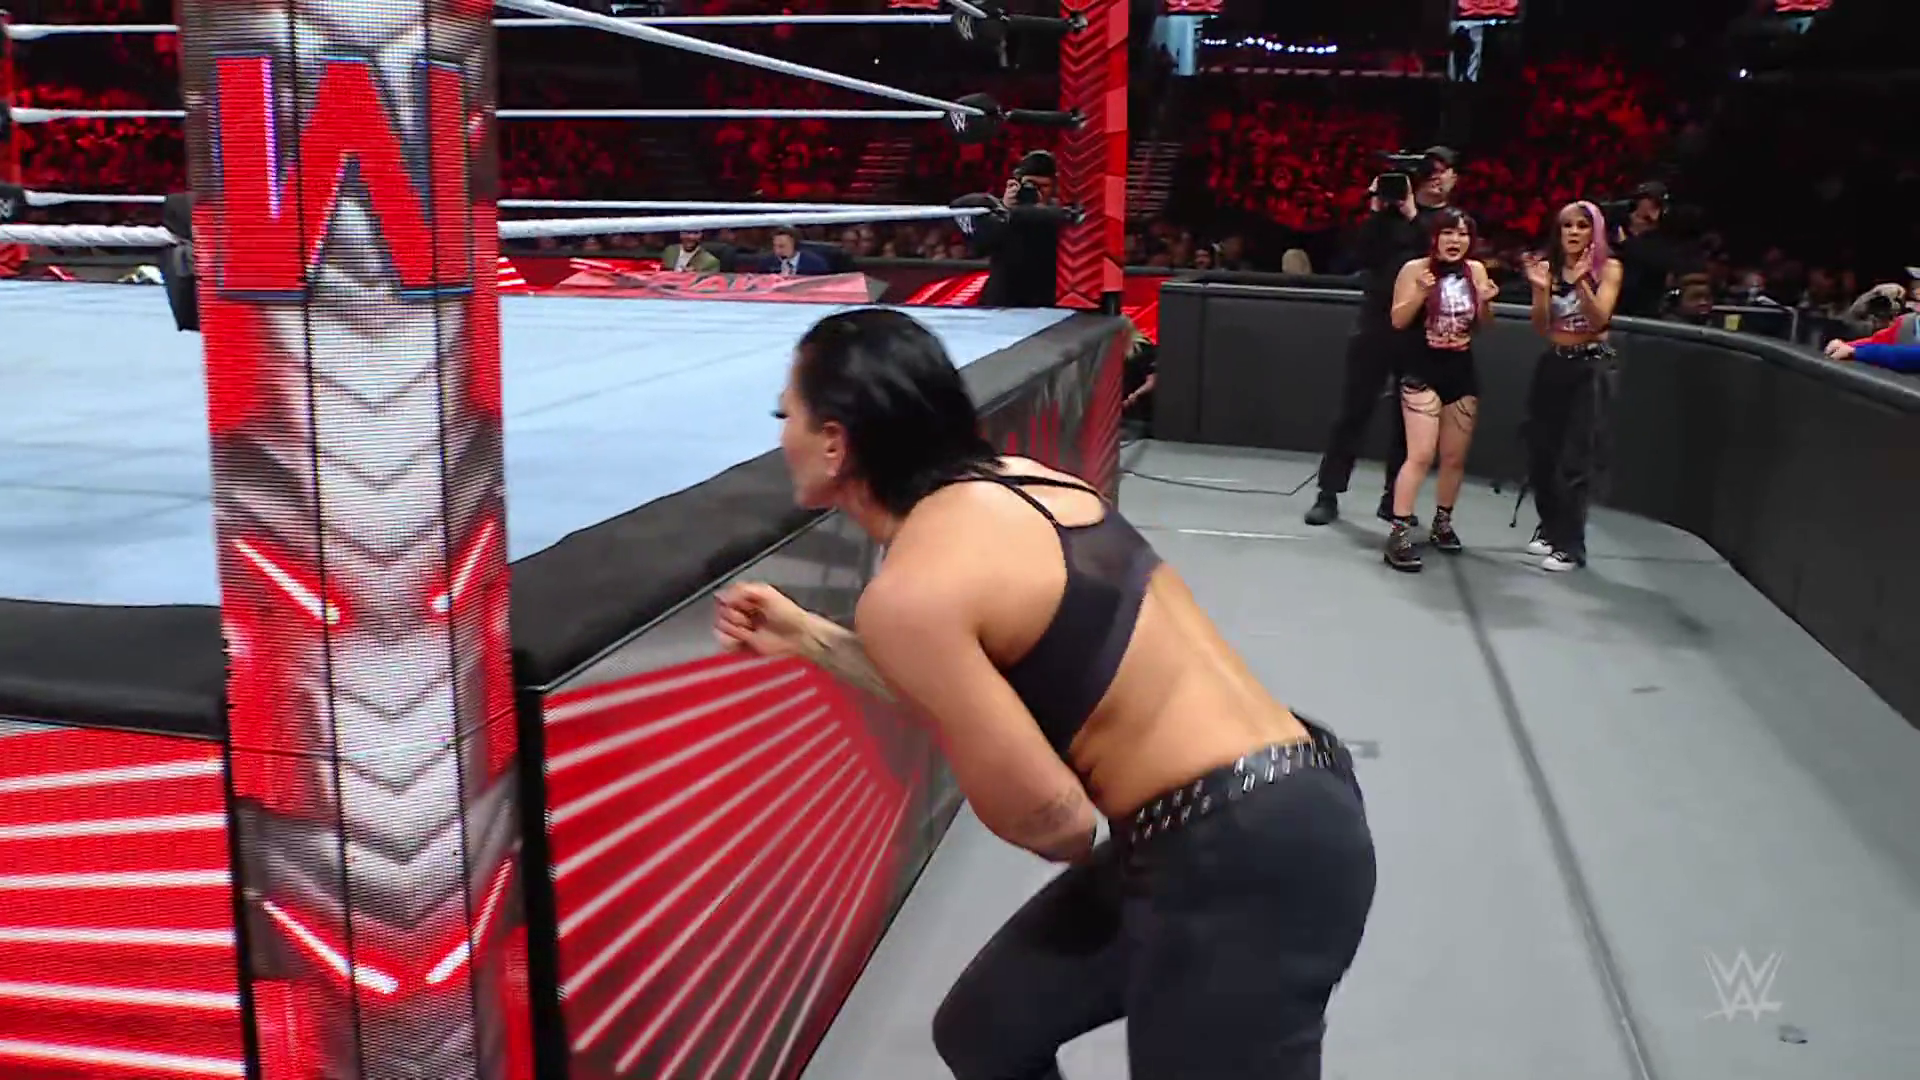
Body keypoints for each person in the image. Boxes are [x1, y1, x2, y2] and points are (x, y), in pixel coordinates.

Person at [714, 308, 1376, 1080]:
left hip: (1235, 855)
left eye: (785, 417)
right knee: (988, 1030)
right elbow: (989, 671)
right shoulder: (1027, 482)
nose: (781, 438)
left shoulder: (911, 592)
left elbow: (1057, 825)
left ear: (835, 442)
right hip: (1279, 800)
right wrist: (811, 637)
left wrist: (974, 749)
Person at [1303, 174, 1423, 527]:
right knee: (1352, 411)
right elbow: (1361, 256)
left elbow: (1434, 256)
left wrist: (1413, 215)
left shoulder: (1432, 223)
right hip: (1374, 323)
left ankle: (1395, 498)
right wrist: (1375, 208)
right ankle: (1328, 492)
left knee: (1408, 417)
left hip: (1416, 327)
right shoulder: (1376, 225)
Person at [1382, 208, 1498, 573]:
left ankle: (1442, 523)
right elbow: (1398, 320)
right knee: (1419, 455)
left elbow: (1485, 326)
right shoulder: (1414, 269)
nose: (1455, 240)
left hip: (1460, 369)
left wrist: (1486, 302)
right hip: (1421, 367)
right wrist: (1419, 293)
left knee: (1453, 457)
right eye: (1448, 233)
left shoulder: (1476, 271)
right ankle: (1399, 533)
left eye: (1462, 234)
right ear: (1434, 237)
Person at [1519, 202, 1625, 572]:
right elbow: (1541, 326)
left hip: (1592, 364)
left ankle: (1570, 545)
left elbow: (1599, 320)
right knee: (1542, 452)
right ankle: (1550, 528)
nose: (1574, 233)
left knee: (1576, 458)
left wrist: (1581, 282)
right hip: (1555, 361)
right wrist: (1539, 291)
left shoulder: (1608, 269)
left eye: (1582, 226)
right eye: (1567, 226)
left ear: (1595, 232)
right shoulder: (1549, 268)